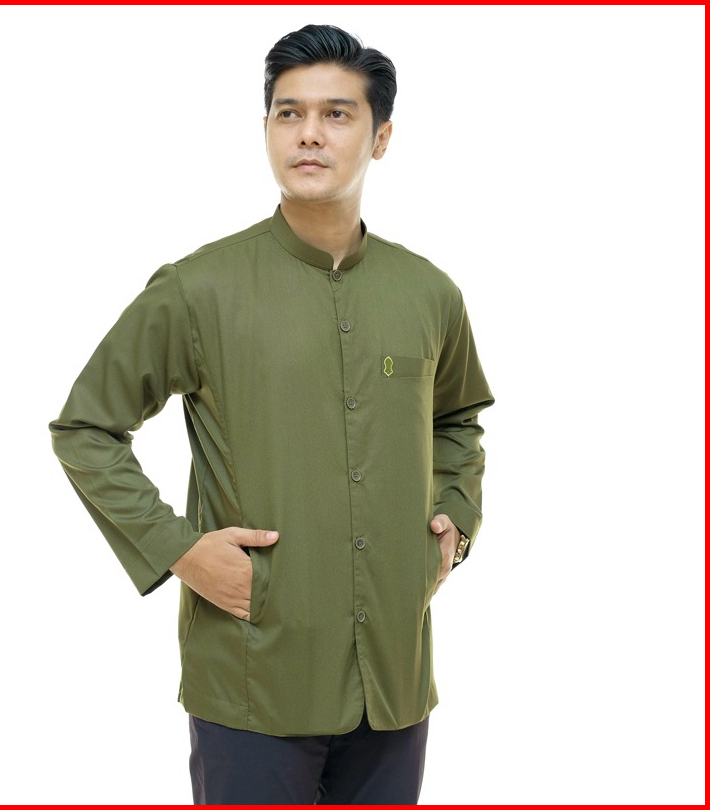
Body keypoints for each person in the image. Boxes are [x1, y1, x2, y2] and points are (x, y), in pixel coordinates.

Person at [48, 23, 495, 805]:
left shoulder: (429, 294)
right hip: (253, 677)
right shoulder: (199, 288)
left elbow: (457, 420)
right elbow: (86, 429)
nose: (309, 134)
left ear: (381, 137)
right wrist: (180, 550)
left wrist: (454, 523)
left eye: (336, 114)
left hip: (394, 678)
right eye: (289, 114)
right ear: (266, 130)